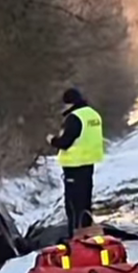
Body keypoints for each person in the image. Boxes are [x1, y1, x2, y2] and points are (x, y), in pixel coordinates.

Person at [48, 88, 104, 238]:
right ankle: (86, 235)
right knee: (85, 203)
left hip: (74, 166)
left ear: (69, 103)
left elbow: (66, 142)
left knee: (73, 206)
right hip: (88, 163)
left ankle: (74, 238)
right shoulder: (93, 114)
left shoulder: (74, 117)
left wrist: (52, 140)